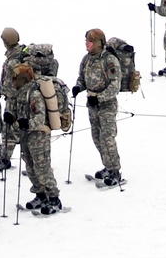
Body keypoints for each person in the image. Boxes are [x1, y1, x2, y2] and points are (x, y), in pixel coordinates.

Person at [13, 61, 69, 214]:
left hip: (38, 136)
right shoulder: (20, 93)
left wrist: (27, 123)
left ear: (24, 78)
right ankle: (40, 194)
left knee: (42, 167)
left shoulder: (34, 94)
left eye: (15, 77)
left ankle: (54, 198)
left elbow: (40, 117)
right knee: (30, 166)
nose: (13, 80)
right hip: (26, 136)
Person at [73, 28, 122, 187]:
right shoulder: (86, 59)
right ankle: (107, 165)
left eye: (90, 41)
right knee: (97, 137)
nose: (87, 44)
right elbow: (82, 78)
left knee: (107, 138)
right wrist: (78, 87)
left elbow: (115, 84)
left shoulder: (109, 60)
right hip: (91, 104)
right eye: (86, 40)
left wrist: (99, 98)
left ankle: (115, 171)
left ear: (99, 42)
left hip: (106, 105)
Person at [0, 26, 25, 174]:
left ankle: (5, 160)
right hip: (18, 99)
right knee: (12, 130)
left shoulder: (13, 60)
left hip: (15, 101)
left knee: (10, 130)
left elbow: (11, 85)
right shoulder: (16, 55)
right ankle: (6, 158)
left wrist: (1, 90)